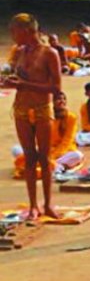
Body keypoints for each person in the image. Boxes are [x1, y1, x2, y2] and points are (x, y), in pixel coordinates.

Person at [2, 14, 62, 220]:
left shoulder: (49, 53)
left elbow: (56, 88)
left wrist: (23, 85)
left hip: (43, 109)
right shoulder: (19, 52)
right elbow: (15, 77)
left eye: (14, 32)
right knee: (29, 158)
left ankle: (48, 203)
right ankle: (33, 205)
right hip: (21, 109)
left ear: (27, 31)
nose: (12, 36)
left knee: (44, 158)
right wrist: (9, 82)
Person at [12, 91, 84, 179]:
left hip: (63, 152)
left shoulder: (71, 117)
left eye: (64, 99)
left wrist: (50, 157)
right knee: (16, 149)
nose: (62, 101)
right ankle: (55, 167)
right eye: (58, 99)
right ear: (51, 102)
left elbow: (67, 141)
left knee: (77, 155)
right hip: (44, 150)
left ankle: (48, 165)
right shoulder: (45, 116)